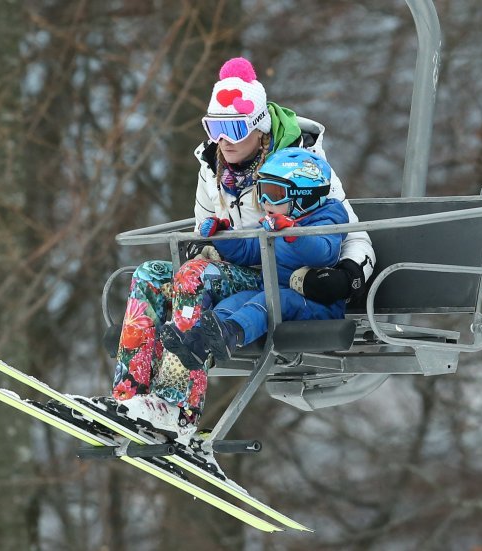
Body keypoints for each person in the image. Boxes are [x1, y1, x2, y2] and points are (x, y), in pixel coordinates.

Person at [103, 57, 375, 439]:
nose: (223, 140)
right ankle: (128, 398)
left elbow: (351, 229)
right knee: (150, 273)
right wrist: (208, 241)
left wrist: (349, 277)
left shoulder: (303, 168)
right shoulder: (212, 167)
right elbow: (203, 231)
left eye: (233, 128)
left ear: (260, 129)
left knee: (194, 277)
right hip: (236, 264)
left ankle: (177, 406)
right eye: (214, 128)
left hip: (272, 276)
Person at [161, 148, 349, 369]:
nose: (266, 202)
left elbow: (323, 252)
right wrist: (224, 236)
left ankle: (232, 333)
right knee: (237, 301)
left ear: (304, 196)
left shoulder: (328, 218)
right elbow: (249, 251)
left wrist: (293, 233)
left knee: (269, 301)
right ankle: (198, 342)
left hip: (316, 302)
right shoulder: (276, 221)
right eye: (262, 192)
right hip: (272, 289)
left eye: (275, 194)